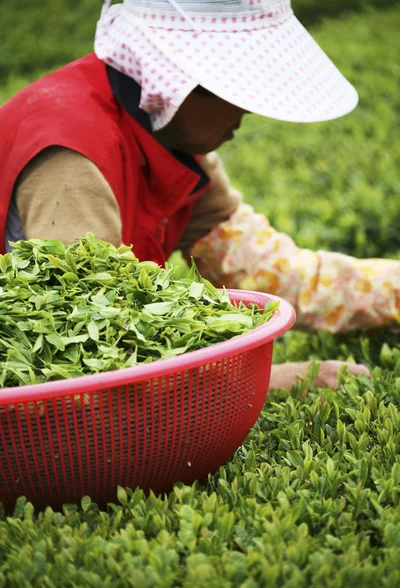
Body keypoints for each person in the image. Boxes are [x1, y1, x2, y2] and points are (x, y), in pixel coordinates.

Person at [0, 0, 398, 390]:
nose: (249, 110)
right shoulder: (71, 158)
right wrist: (271, 380)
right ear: (179, 80)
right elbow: (94, 355)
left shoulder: (174, 141)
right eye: (239, 88)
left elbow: (271, 271)